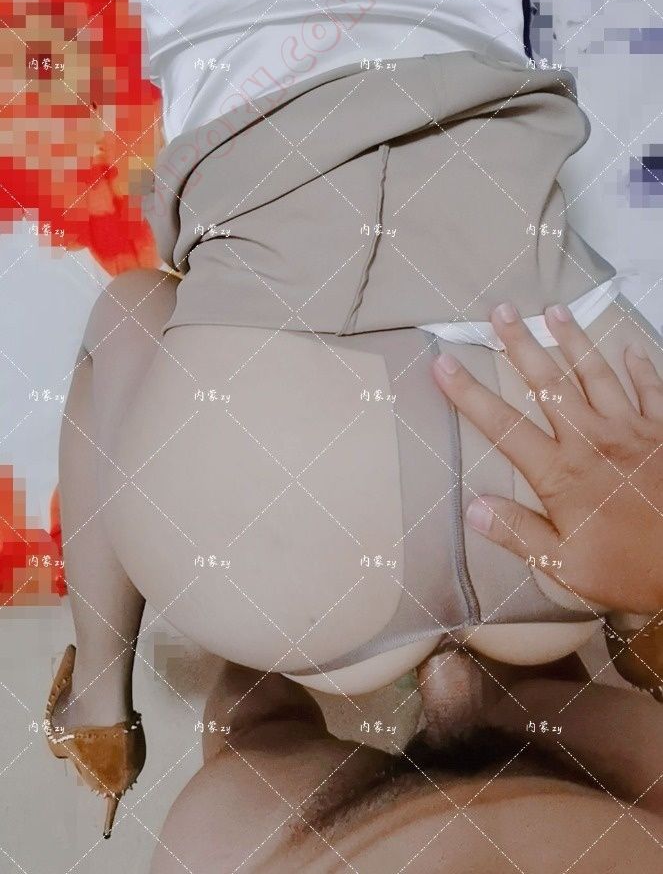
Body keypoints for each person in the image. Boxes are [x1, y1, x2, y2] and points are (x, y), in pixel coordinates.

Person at [45, 0, 663, 843]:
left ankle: (97, 703)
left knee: (133, 316)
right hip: (572, 481)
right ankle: (621, 628)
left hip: (293, 510)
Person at [145, 308, 663, 873]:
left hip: (572, 717)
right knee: (255, 718)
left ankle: (111, 703)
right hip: (326, 833)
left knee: (133, 310)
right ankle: (107, 712)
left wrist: (648, 574)